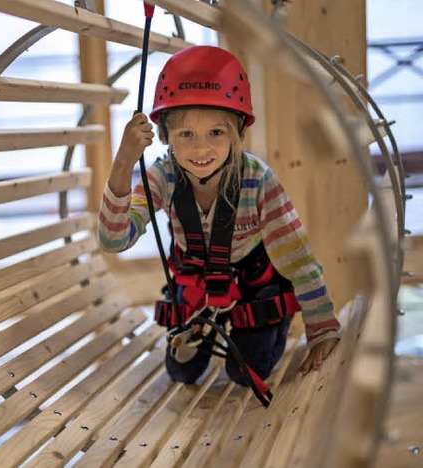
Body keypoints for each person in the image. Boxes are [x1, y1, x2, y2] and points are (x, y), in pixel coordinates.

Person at [97, 45, 340, 386]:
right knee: (182, 372)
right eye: (186, 134)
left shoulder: (257, 180)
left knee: (245, 374)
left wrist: (322, 331)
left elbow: (299, 261)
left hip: (253, 285)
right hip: (196, 286)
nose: (200, 149)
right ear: (165, 136)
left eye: (216, 132)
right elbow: (113, 238)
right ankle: (204, 327)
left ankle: (268, 326)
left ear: (237, 133)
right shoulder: (162, 177)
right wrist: (124, 162)